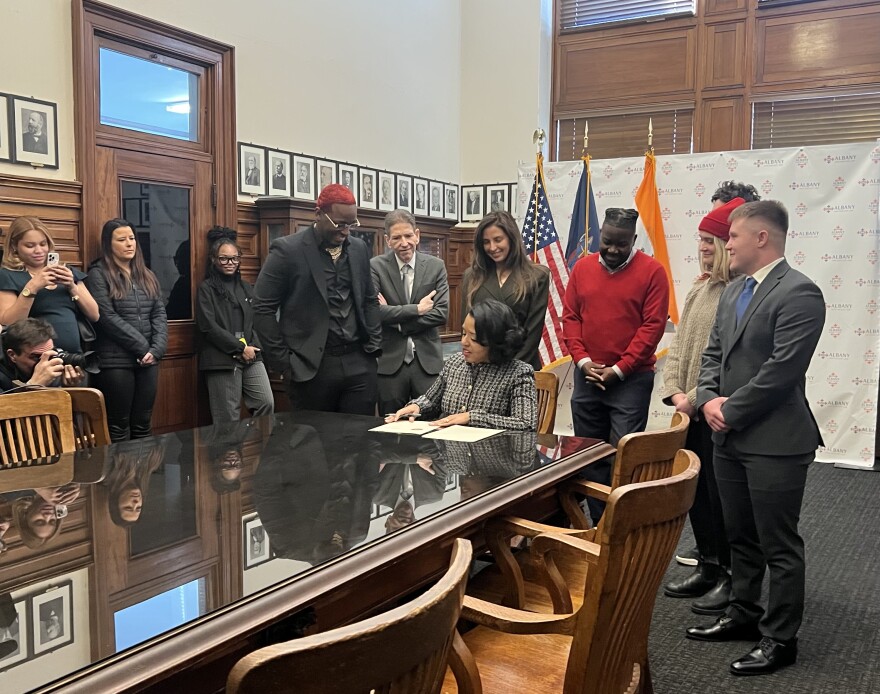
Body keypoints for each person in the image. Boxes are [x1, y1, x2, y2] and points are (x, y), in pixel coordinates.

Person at [687, 200, 825, 677]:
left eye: (733, 237)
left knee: (778, 544)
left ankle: (780, 638)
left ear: (762, 238)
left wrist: (728, 411)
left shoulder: (801, 293)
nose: (726, 246)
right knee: (739, 535)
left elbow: (781, 372)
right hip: (729, 437)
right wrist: (707, 400)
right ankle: (744, 613)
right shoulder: (732, 293)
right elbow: (713, 354)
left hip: (775, 442)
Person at [658, 196, 747, 616]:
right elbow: (678, 349)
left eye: (711, 240)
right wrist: (675, 391)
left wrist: (692, 400)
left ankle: (730, 574)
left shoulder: (738, 294)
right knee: (696, 494)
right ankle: (708, 565)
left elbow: (723, 357)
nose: (704, 247)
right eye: (701, 240)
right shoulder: (699, 287)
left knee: (720, 495)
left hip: (711, 410)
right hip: (687, 408)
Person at [562, 207, 669, 523]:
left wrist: (620, 368)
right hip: (588, 376)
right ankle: (601, 525)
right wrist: (582, 362)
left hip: (631, 380)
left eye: (620, 244)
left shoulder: (653, 272)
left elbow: (652, 327)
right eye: (606, 241)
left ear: (633, 240)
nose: (611, 249)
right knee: (590, 455)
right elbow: (571, 318)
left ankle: (621, 525)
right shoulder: (582, 269)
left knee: (624, 457)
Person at [253, 184, 381, 414]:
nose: (346, 232)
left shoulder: (359, 249)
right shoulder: (287, 251)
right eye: (339, 224)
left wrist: (372, 345)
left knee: (361, 444)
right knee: (313, 446)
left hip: (359, 363)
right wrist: (284, 363)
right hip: (310, 368)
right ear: (318, 214)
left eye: (351, 225)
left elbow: (370, 299)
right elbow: (262, 309)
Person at [388, 299, 538, 431]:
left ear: (495, 341)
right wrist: (416, 407)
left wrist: (472, 418)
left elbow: (526, 423)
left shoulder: (518, 373)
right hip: (447, 455)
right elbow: (431, 401)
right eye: (463, 333)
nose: (464, 342)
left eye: (473, 338)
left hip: (491, 458)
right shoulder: (455, 363)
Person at [87, 219, 167, 442]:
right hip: (115, 361)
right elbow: (106, 317)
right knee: (118, 426)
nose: (129, 244)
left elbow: (159, 314)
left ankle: (141, 476)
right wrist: (142, 348)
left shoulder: (147, 274)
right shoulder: (98, 274)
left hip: (148, 360)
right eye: (122, 240)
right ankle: (119, 477)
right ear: (108, 244)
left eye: (132, 238)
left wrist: (156, 349)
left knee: (143, 424)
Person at [371, 209, 449, 414]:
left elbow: (441, 313)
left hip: (427, 364)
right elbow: (374, 313)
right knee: (390, 427)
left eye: (408, 236)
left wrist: (396, 320)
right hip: (389, 364)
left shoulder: (436, 266)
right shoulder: (376, 267)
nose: (404, 243)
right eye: (396, 238)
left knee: (429, 426)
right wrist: (416, 309)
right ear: (388, 240)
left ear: (417, 235)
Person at [196, 226, 274, 423]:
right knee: (227, 418)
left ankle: (255, 452)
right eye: (224, 258)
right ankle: (229, 454)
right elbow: (208, 327)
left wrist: (251, 348)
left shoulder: (246, 287)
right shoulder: (207, 289)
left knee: (266, 403)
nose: (230, 263)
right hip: (221, 359)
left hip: (251, 356)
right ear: (214, 260)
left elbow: (255, 320)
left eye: (234, 258)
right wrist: (239, 348)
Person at [460, 211, 549, 370]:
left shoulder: (537, 276)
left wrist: (508, 373)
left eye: (498, 240)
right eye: (486, 242)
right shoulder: (472, 276)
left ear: (511, 239)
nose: (492, 247)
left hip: (520, 368)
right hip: (480, 369)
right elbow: (467, 327)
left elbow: (532, 335)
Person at [0, 216, 100, 354]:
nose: (39, 251)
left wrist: (72, 286)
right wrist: (32, 288)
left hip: (73, 357)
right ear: (14, 246)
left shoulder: (66, 271)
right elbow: (9, 323)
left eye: (43, 244)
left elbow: (95, 315)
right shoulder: (8, 275)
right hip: (36, 359)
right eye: (30, 246)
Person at [0, 318, 85, 392]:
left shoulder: (51, 360)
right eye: (36, 357)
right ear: (12, 355)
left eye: (50, 353)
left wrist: (68, 389)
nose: (45, 362)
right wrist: (33, 385)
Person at [104, 439, 165, 526]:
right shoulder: (153, 464)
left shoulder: (108, 470)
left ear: (115, 502)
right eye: (138, 508)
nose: (136, 503)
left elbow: (109, 435)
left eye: (128, 507)